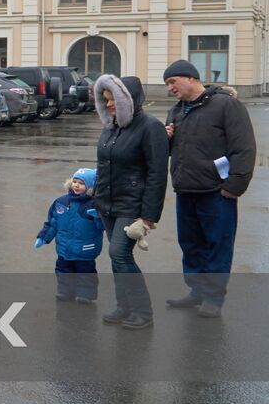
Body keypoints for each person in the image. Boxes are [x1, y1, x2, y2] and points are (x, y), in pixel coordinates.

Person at [162, 59, 256, 318]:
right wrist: (166, 139)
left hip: (217, 192)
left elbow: (244, 148)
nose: (170, 88)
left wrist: (234, 186)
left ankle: (213, 297)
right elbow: (173, 152)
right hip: (186, 190)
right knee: (191, 244)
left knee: (217, 244)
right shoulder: (176, 111)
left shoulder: (226, 105)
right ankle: (197, 291)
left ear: (191, 78)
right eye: (167, 84)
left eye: (173, 82)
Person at [90, 74, 167, 330]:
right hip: (107, 204)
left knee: (119, 253)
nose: (109, 104)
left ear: (129, 99)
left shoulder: (150, 127)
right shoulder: (111, 127)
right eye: (106, 100)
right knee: (117, 258)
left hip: (131, 206)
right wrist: (95, 197)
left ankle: (143, 312)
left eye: (113, 99)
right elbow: (104, 165)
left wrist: (149, 216)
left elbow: (157, 173)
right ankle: (124, 306)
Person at [35, 168, 103, 303]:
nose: (76, 185)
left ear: (90, 186)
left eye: (81, 183)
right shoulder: (61, 202)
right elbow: (53, 222)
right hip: (64, 248)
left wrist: (99, 218)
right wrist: (44, 237)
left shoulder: (94, 205)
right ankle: (65, 292)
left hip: (85, 248)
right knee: (63, 270)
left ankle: (85, 295)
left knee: (85, 272)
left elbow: (103, 227)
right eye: (75, 181)